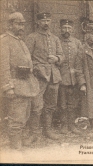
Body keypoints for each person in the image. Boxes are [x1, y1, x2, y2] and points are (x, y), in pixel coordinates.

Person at [0, 12, 39, 149]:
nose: (21, 27)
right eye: (18, 24)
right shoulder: (4, 41)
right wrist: (7, 87)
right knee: (16, 116)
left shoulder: (20, 40)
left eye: (23, 24)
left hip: (26, 84)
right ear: (10, 25)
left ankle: (20, 139)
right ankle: (15, 145)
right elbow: (3, 66)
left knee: (25, 114)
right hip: (15, 84)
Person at [25, 12, 63, 140]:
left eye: (48, 21)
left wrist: (56, 58)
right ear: (38, 23)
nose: (46, 23)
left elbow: (62, 57)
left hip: (54, 77)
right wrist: (37, 68)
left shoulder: (55, 38)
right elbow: (27, 58)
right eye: (43, 21)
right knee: (36, 106)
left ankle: (48, 130)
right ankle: (34, 133)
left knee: (51, 105)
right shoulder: (32, 37)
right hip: (39, 77)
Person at [58, 19, 82, 135]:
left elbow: (80, 60)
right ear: (60, 29)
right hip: (62, 78)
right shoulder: (57, 41)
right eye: (64, 28)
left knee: (72, 104)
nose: (66, 30)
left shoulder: (77, 43)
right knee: (62, 104)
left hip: (74, 79)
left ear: (72, 30)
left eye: (69, 28)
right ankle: (64, 125)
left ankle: (72, 125)